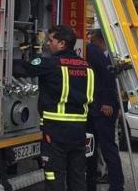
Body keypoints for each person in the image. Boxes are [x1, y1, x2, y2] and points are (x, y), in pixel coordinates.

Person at [24, 24, 94, 191]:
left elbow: (23, 68)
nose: (48, 44)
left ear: (62, 44)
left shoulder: (50, 64)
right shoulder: (87, 67)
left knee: (54, 176)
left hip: (55, 133)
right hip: (78, 132)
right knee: (77, 176)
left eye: (51, 40)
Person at [85, 29, 124, 191]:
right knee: (99, 147)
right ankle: (106, 184)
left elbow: (108, 75)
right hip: (98, 106)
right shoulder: (96, 51)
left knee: (101, 148)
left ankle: (113, 185)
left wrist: (107, 102)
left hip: (101, 107)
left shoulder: (94, 51)